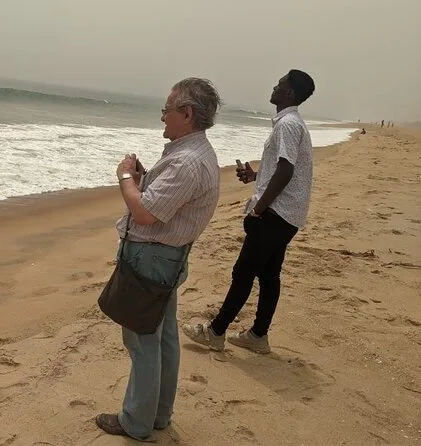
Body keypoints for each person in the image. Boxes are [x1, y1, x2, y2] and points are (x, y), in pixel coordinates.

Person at [95, 78, 221, 440]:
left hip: (152, 257)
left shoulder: (187, 162)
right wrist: (145, 178)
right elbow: (165, 200)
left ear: (187, 113)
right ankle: (159, 414)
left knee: (142, 341)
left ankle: (136, 421)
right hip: (168, 258)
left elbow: (145, 213)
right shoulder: (195, 155)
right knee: (163, 336)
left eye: (167, 110)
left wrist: (125, 177)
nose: (162, 116)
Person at [182, 69, 315, 354]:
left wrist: (259, 207)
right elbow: (283, 169)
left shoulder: (287, 124)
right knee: (268, 275)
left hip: (276, 213)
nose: (274, 87)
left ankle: (215, 332)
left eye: (280, 84)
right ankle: (258, 336)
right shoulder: (293, 123)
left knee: (243, 272)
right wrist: (256, 176)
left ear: (289, 93)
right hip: (289, 214)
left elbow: (286, 170)